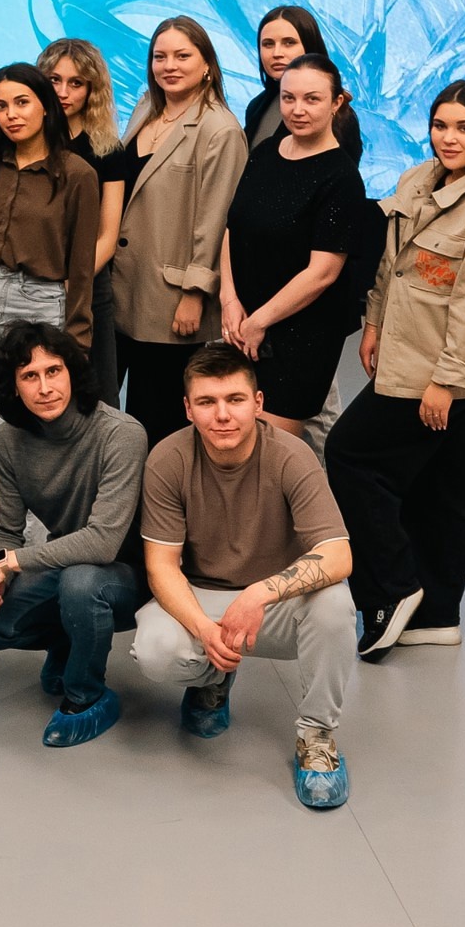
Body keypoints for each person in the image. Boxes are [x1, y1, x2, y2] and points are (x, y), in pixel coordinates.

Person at [326, 81, 465, 660]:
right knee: (437, 485)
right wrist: (373, 320)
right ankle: (438, 614)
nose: (449, 138)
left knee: (350, 455)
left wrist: (447, 383)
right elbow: (393, 264)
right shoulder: (419, 178)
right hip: (403, 348)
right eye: (441, 125)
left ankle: (392, 588)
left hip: (437, 371)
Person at [132, 342, 357, 810]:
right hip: (204, 596)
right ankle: (212, 678)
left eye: (235, 399)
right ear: (188, 408)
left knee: (336, 606)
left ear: (257, 403)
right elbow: (161, 566)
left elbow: (338, 555)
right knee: (155, 649)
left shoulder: (292, 456)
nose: (222, 415)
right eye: (207, 402)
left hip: (274, 604)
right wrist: (202, 629)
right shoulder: (167, 459)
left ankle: (317, 736)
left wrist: (260, 593)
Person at [0, 323, 147, 745]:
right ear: (15, 387)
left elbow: (103, 542)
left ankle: (87, 696)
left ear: (72, 372)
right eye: (29, 376)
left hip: (130, 576)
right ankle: (71, 639)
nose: (44, 388)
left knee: (82, 583)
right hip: (65, 566)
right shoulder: (9, 441)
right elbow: (4, 528)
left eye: (53, 371)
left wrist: (9, 563)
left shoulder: (120, 434)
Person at [111, 16, 248, 448]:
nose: (169, 65)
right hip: (123, 291)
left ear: (207, 64)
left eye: (182, 55)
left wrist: (195, 292)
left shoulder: (221, 129)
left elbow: (216, 219)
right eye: (160, 56)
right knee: (110, 419)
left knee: (156, 423)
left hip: (171, 302)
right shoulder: (145, 109)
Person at [0, 62, 99, 445]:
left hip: (39, 302)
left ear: (45, 105)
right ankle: (1, 489)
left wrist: (78, 339)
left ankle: (36, 491)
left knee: (33, 416)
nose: (11, 114)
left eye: (21, 102)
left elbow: (82, 266)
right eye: (1, 106)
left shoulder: (78, 174)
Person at [218, 55, 367, 439]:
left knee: (268, 447)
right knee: (230, 440)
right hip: (244, 321)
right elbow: (233, 226)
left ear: (336, 102)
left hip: (299, 334)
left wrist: (260, 321)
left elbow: (322, 273)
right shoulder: (266, 151)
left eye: (312, 99)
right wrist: (229, 299)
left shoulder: (342, 178)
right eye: (289, 98)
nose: (298, 109)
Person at [38, 38, 127, 406]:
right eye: (54, 80)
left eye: (75, 83)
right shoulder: (24, 142)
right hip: (32, 286)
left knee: (97, 398)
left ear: (92, 89)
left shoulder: (108, 150)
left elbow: (109, 233)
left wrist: (74, 279)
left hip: (89, 288)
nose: (63, 92)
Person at [245, 4, 362, 156]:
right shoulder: (256, 106)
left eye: (289, 43)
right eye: (268, 44)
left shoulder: (339, 115)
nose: (276, 53)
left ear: (309, 46)